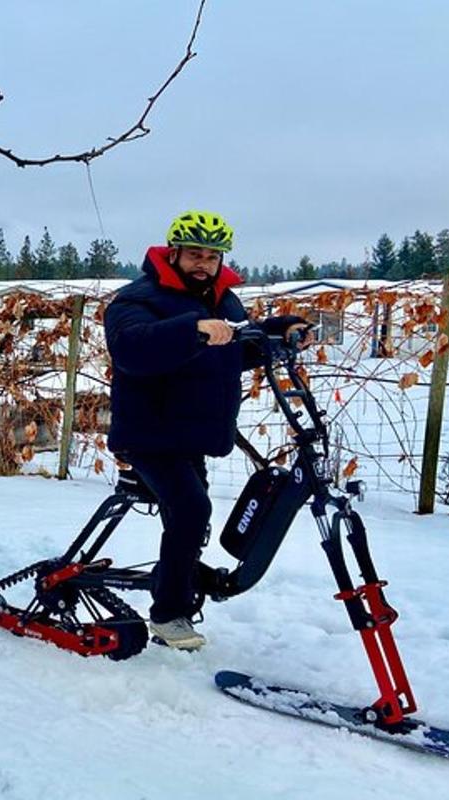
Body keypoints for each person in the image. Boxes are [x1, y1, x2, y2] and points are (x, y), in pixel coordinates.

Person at [104, 210, 308, 651]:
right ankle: (168, 614)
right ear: (172, 253)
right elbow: (130, 350)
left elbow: (236, 347)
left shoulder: (223, 301)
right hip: (149, 433)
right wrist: (190, 329)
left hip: (192, 433)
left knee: (193, 520)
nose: (203, 264)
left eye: (212, 257)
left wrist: (278, 330)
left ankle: (174, 579)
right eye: (194, 254)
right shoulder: (138, 299)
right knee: (191, 512)